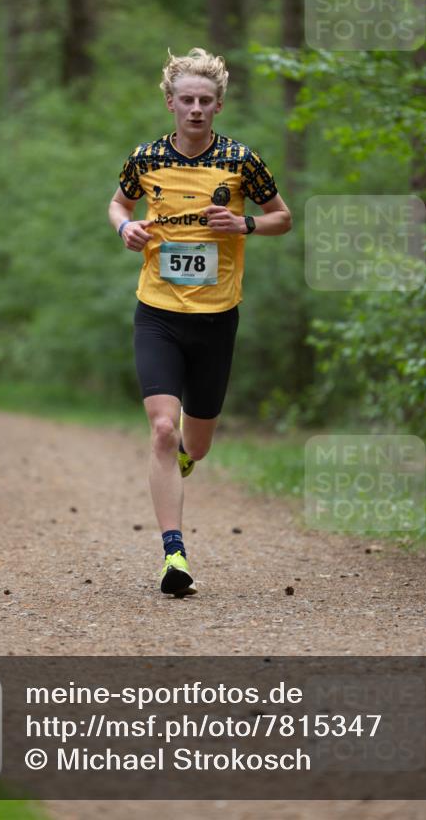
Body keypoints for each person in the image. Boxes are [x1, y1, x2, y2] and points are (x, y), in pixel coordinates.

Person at [108, 48, 292, 597]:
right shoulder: (144, 159)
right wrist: (125, 230)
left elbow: (284, 217)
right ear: (170, 103)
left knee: (197, 443)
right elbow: (118, 204)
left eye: (204, 101)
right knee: (163, 429)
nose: (194, 109)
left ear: (218, 106)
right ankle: (174, 555)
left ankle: (187, 457)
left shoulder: (241, 161)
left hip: (216, 319)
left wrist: (245, 223)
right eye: (185, 100)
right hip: (157, 312)